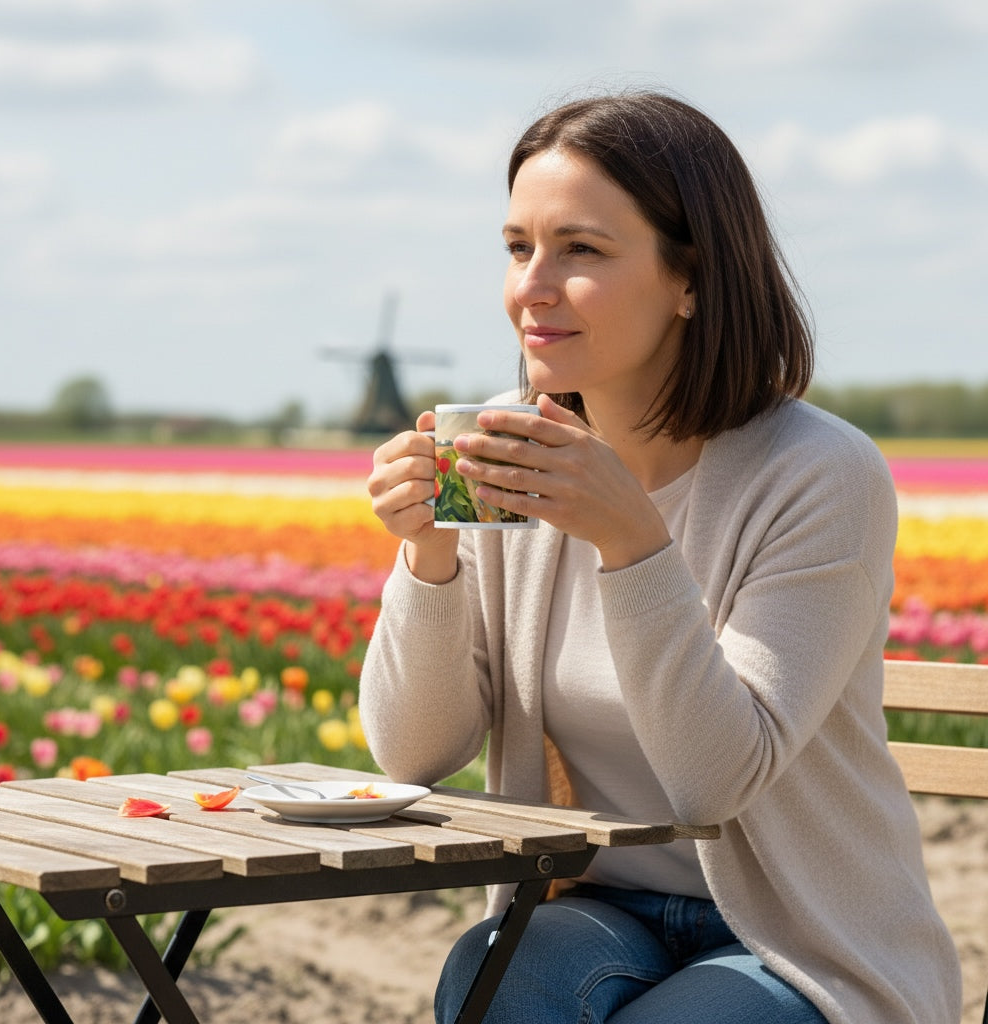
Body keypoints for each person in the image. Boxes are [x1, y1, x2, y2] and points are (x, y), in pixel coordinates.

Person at [359, 90, 961, 1024]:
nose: (533, 285)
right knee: (496, 984)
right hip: (593, 907)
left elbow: (716, 780)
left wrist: (632, 542)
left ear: (691, 279)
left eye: (582, 250)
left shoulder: (819, 476)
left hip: (802, 939)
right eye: (519, 247)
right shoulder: (511, 452)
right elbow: (414, 752)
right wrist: (427, 560)